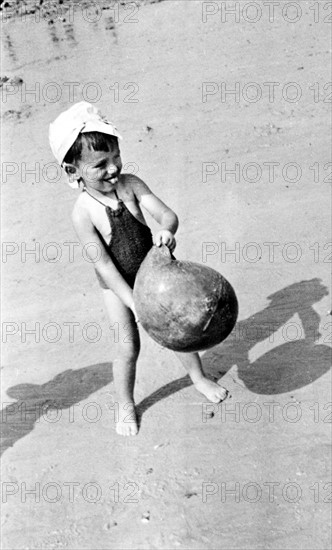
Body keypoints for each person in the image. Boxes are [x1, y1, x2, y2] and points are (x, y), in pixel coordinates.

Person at [49, 102, 228, 436]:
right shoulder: (82, 213)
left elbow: (168, 215)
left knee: (178, 332)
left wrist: (167, 232)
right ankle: (126, 404)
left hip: (156, 273)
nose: (113, 167)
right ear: (73, 171)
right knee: (128, 347)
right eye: (99, 165)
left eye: (116, 156)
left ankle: (199, 378)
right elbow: (102, 264)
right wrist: (133, 301)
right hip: (117, 288)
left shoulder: (131, 185)